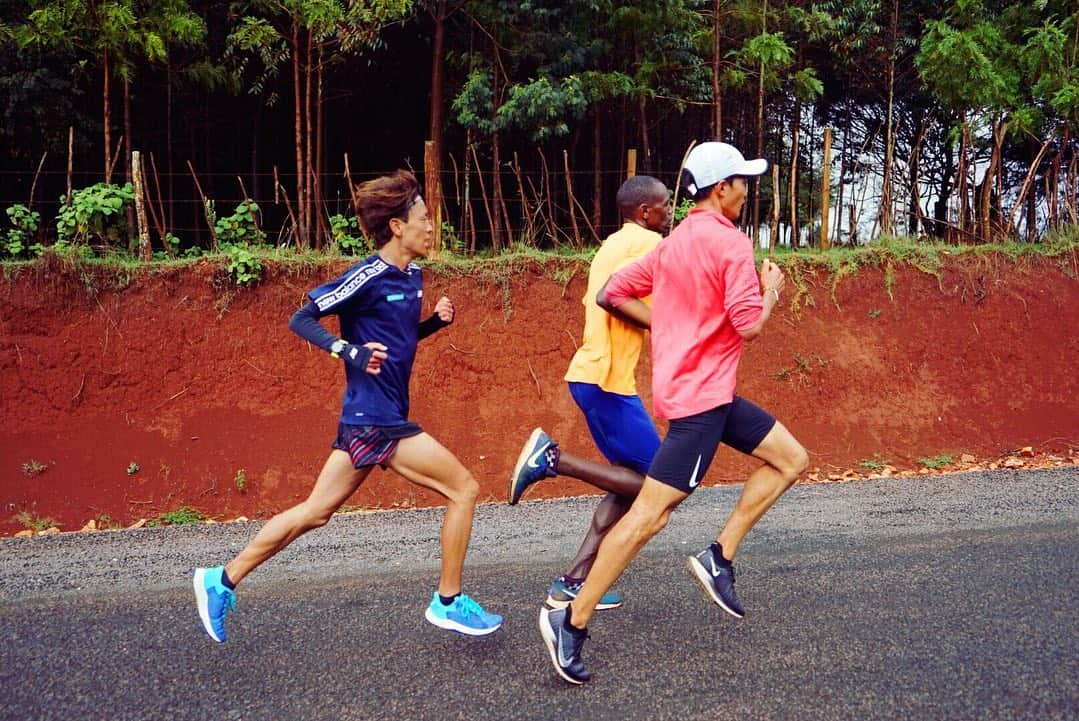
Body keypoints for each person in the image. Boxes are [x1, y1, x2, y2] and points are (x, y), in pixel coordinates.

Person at [539, 142, 809, 684]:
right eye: (740, 180)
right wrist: (771, 291)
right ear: (720, 188)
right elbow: (749, 324)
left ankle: (720, 557)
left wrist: (666, 327)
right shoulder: (730, 243)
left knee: (790, 458)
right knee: (649, 517)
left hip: (705, 392)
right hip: (701, 404)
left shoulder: (677, 238)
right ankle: (570, 619)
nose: (745, 189)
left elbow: (614, 293)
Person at [193, 170, 502, 643]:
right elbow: (302, 317)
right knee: (464, 488)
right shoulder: (367, 275)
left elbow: (396, 338)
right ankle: (447, 602)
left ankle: (220, 579)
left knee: (316, 513)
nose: (430, 226)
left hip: (371, 419)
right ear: (398, 226)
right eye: (423, 218)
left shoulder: (412, 275)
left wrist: (432, 326)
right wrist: (348, 351)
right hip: (377, 419)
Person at [508, 176, 671, 612]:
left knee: (626, 483)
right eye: (664, 205)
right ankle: (552, 460)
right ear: (644, 212)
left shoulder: (618, 243)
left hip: (598, 379)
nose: (670, 212)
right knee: (658, 482)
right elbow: (611, 299)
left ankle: (572, 582)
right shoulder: (647, 244)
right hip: (606, 383)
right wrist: (666, 324)